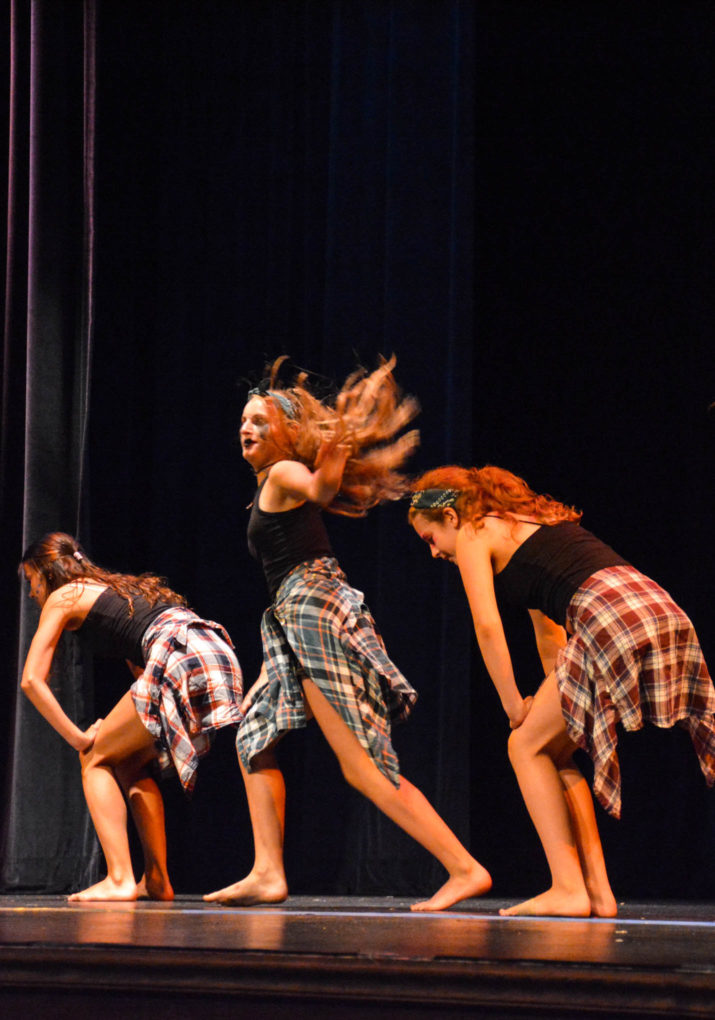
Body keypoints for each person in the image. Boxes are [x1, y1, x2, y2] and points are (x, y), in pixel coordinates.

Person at [204, 358, 492, 911]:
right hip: (295, 617)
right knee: (254, 737)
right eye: (245, 420)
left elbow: (319, 487)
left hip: (314, 609)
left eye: (261, 423)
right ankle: (267, 872)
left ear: (286, 435)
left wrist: (333, 451)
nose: (248, 429)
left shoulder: (286, 472)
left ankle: (464, 867)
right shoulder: (271, 480)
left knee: (361, 765)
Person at [409, 464, 715, 918]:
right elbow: (550, 637)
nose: (433, 554)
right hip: (653, 606)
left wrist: (514, 704)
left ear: (451, 518)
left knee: (522, 746)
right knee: (550, 749)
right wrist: (551, 702)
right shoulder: (525, 526)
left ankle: (568, 888)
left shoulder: (476, 531)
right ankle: (597, 892)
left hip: (609, 613)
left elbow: (487, 625)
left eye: (430, 540)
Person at [20, 532, 244, 901]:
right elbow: (142, 680)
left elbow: (31, 680)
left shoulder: (65, 595)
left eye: (32, 581)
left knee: (93, 758)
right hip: (213, 650)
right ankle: (156, 880)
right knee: (129, 763)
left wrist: (79, 737)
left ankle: (120, 877)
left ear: (48, 573)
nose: (32, 593)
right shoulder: (120, 592)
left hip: (179, 652)